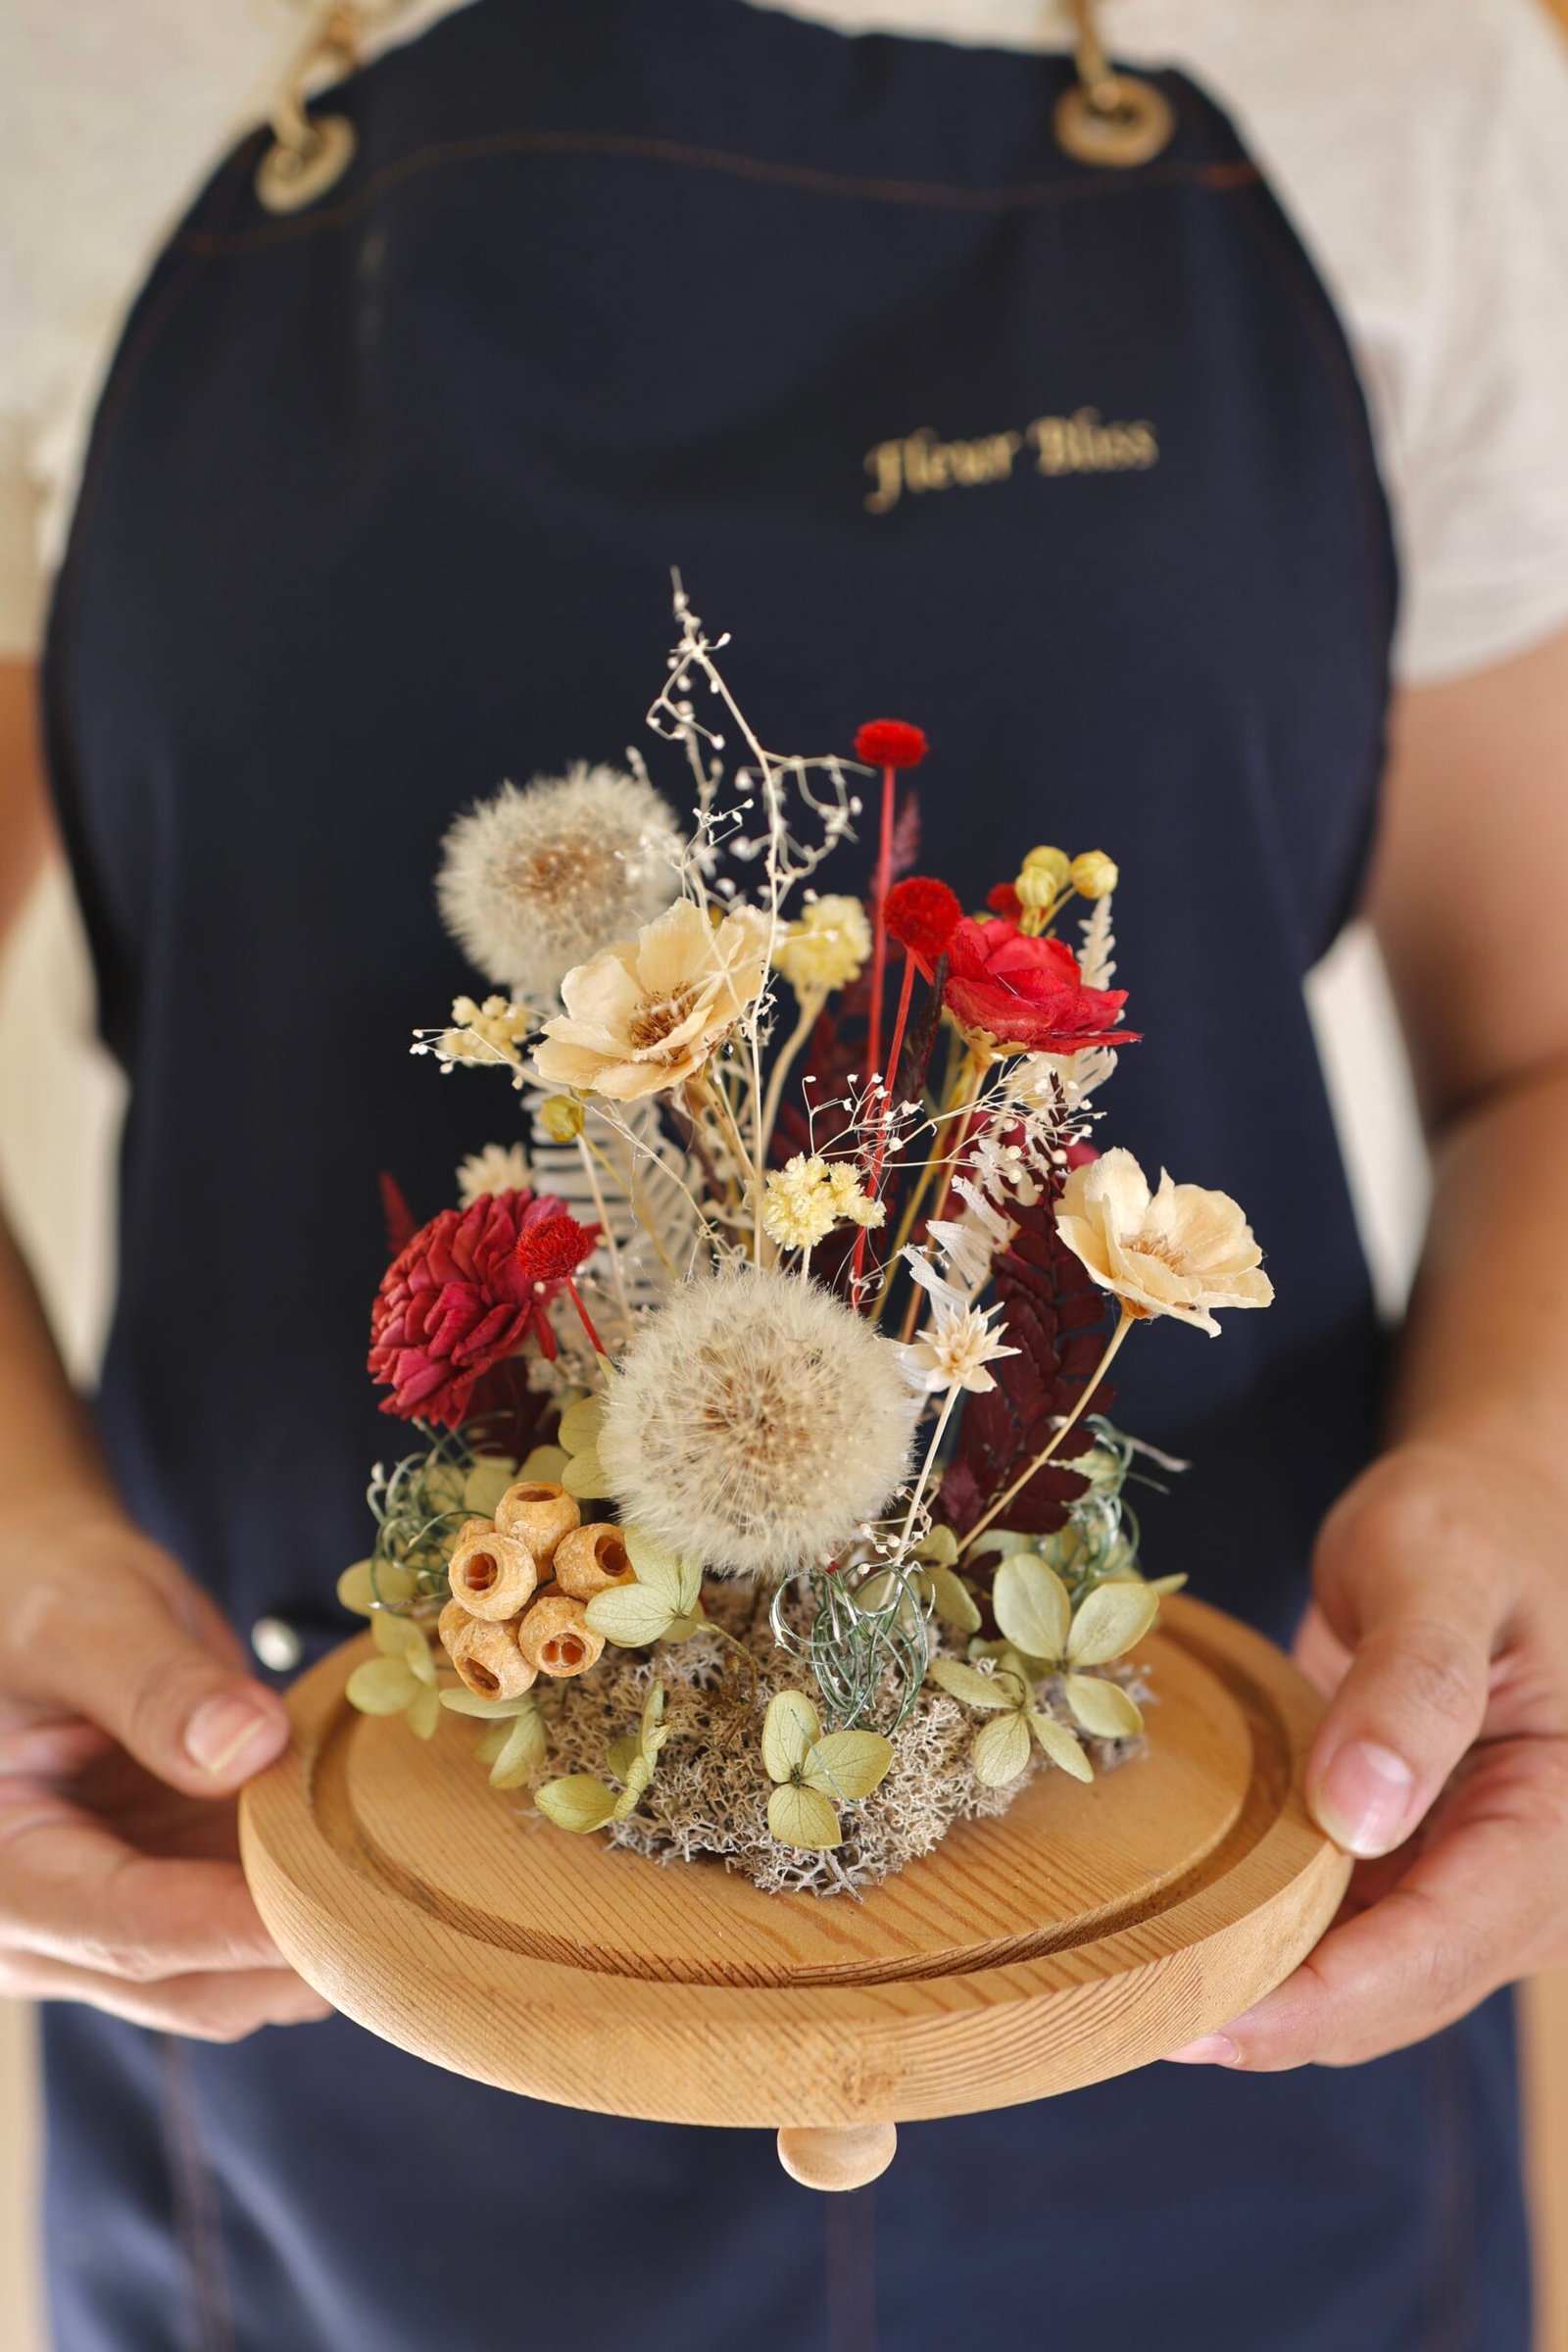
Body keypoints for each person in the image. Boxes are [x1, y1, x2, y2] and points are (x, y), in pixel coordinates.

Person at [3, 0, 1568, 2344]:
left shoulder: (1393, 79)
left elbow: (1535, 1052)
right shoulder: (60, 92)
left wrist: (1528, 1465)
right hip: (341, 1954)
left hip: (1213, 1887)